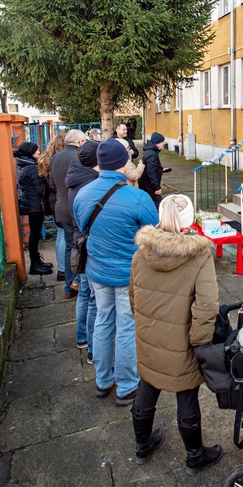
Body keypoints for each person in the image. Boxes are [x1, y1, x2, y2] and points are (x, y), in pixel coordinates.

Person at [129, 194, 222, 474]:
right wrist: (200, 343)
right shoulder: (200, 255)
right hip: (182, 342)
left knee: (147, 386)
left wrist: (145, 326)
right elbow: (206, 307)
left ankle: (142, 445)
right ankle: (195, 456)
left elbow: (133, 296)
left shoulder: (140, 252)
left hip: (148, 336)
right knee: (186, 396)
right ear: (189, 219)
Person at [73, 139, 159, 406]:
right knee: (126, 325)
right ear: (124, 162)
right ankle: (127, 385)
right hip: (128, 274)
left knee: (102, 320)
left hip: (97, 271)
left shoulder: (83, 193)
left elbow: (81, 224)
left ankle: (103, 380)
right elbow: (152, 230)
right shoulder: (136, 197)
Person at [66, 141, 100, 358]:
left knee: (85, 295)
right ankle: (92, 349)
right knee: (95, 301)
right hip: (89, 244)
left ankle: (82, 337)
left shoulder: (74, 176)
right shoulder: (92, 183)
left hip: (79, 240)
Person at [51, 129, 87, 298]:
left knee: (68, 246)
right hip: (77, 207)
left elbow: (52, 184)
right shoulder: (80, 157)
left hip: (62, 207)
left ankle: (67, 286)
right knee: (80, 245)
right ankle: (78, 283)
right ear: (80, 143)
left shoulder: (55, 158)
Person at [15, 141, 52, 276]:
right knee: (35, 235)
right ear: (30, 152)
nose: (39, 152)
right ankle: (35, 264)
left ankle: (36, 262)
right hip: (35, 206)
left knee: (35, 235)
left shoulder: (26, 166)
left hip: (32, 205)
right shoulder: (31, 168)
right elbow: (41, 189)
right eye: (36, 150)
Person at [39, 134, 67, 281]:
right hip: (59, 200)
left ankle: (61, 268)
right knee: (63, 234)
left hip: (52, 201)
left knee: (60, 235)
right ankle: (63, 269)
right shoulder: (59, 162)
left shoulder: (46, 160)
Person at [138, 132, 168, 207]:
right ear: (157, 143)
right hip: (149, 186)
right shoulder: (152, 154)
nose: (164, 143)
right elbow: (151, 172)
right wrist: (157, 187)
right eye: (162, 142)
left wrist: (161, 170)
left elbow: (151, 167)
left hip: (146, 185)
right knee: (160, 206)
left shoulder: (149, 151)